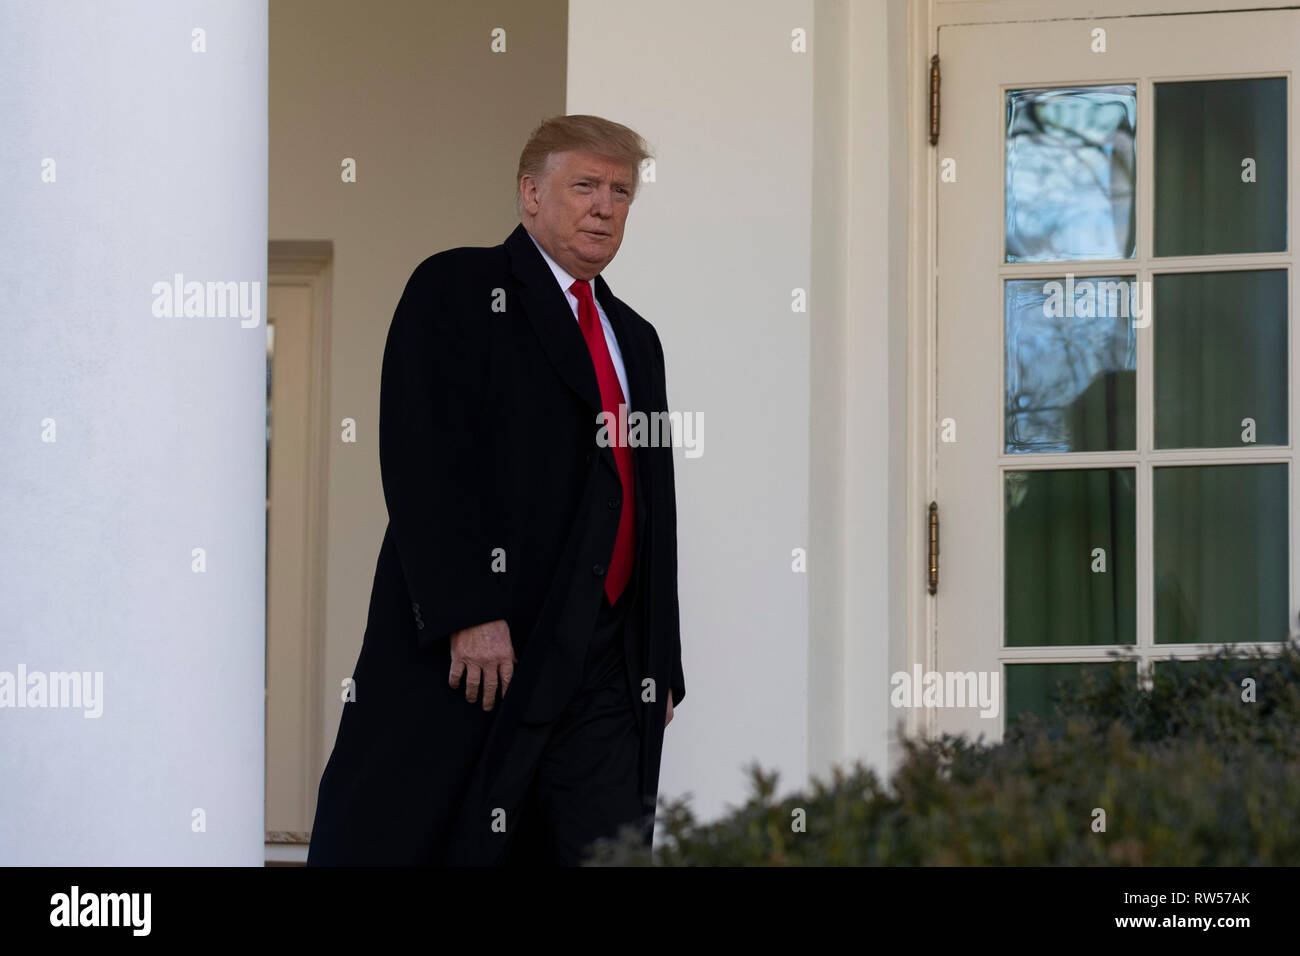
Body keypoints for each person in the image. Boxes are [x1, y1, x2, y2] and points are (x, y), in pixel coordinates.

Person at [306, 114, 685, 866]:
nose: (605, 206)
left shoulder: (634, 337)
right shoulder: (456, 287)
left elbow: (653, 502)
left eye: (621, 191)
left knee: (601, 850)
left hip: (608, 666)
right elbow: (422, 459)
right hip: (489, 652)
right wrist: (471, 610)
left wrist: (661, 658)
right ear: (529, 194)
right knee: (447, 842)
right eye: (585, 186)